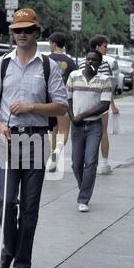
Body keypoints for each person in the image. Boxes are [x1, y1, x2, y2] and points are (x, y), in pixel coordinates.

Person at [0, 8, 68, 268]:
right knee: (5, 201)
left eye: (27, 30)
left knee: (29, 207)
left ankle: (23, 261)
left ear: (36, 33)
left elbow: (61, 106)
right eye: (17, 30)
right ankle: (8, 247)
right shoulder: (2, 63)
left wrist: (32, 106)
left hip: (36, 138)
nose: (21, 34)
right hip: (8, 138)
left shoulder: (47, 66)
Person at [67, 50, 112, 212]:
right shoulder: (73, 76)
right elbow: (68, 99)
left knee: (90, 162)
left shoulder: (104, 80)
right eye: (88, 59)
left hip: (94, 125)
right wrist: (73, 118)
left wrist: (83, 115)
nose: (90, 62)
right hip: (77, 126)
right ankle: (83, 187)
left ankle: (83, 199)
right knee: (76, 164)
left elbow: (104, 105)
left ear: (99, 64)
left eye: (94, 60)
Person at [78, 35, 119, 175]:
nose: (106, 49)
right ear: (97, 46)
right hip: (101, 103)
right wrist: (112, 105)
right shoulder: (104, 63)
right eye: (105, 46)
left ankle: (86, 161)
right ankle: (104, 163)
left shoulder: (83, 62)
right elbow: (106, 86)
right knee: (102, 133)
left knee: (83, 134)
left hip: (84, 103)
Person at [46, 32, 77, 172]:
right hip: (64, 101)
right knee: (64, 131)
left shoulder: (45, 60)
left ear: (53, 43)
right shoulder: (71, 62)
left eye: (49, 43)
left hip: (49, 101)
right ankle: (56, 153)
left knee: (53, 129)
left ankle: (52, 159)